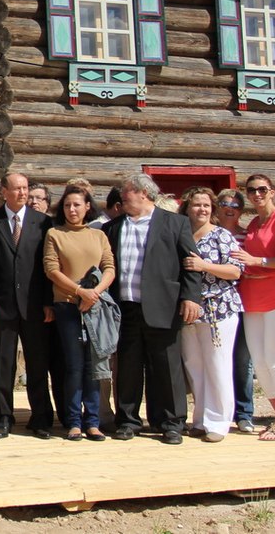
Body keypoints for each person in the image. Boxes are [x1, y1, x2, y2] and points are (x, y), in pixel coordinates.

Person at [102, 174, 201, 445]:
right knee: (128, 367)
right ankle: (128, 421)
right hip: (125, 307)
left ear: (143, 193)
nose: (121, 198)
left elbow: (190, 264)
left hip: (163, 306)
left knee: (166, 367)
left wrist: (191, 298)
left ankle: (171, 423)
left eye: (126, 193)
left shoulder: (175, 223)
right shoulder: (113, 227)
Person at [0, 172, 56, 439]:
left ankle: (41, 417)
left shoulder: (43, 222)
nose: (23, 193)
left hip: (35, 305)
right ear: (4, 192)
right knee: (3, 364)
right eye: (17, 189)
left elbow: (48, 266)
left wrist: (48, 302)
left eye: (25, 188)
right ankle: (3, 417)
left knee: (37, 363)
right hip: (2, 305)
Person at [43, 185, 115, 441]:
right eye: (67, 205)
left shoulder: (98, 235)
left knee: (93, 365)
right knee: (73, 365)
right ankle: (74, 421)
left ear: (87, 207)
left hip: (96, 306)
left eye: (76, 205)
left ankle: (92, 421)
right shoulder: (55, 234)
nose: (71, 209)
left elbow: (109, 267)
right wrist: (79, 291)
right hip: (68, 306)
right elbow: (52, 269)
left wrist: (94, 293)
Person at [231, 174, 275, 441]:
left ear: (272, 191)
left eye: (262, 189)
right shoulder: (253, 223)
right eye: (251, 190)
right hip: (251, 294)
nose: (257, 194)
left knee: (273, 359)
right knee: (259, 362)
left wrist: (257, 260)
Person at [178, 186, 244, 443]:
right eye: (197, 204)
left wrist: (204, 265)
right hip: (190, 311)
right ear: (187, 207)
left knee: (217, 365)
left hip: (219, 309)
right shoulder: (182, 234)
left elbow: (236, 271)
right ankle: (201, 419)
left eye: (206, 205)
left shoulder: (221, 235)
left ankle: (219, 422)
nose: (202, 209)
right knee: (195, 366)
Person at [216, 187, 256, 434]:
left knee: (242, 360)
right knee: (218, 360)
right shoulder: (209, 233)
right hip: (218, 306)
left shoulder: (248, 236)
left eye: (235, 206)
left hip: (245, 303)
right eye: (225, 204)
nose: (230, 209)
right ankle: (220, 410)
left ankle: (244, 412)